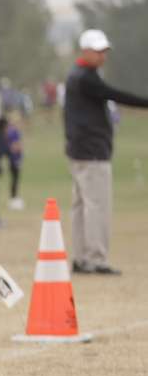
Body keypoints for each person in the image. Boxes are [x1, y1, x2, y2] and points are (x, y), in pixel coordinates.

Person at [64, 29, 148, 275]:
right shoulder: (86, 78)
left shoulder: (75, 75)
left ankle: (81, 257)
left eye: (104, 52)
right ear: (86, 51)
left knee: (81, 206)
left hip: (79, 150)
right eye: (99, 52)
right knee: (97, 206)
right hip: (92, 152)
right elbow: (114, 94)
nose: (103, 56)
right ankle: (96, 258)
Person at [0, 116, 24, 210]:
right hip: (14, 159)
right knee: (15, 179)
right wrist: (17, 149)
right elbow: (15, 145)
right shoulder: (14, 132)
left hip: (12, 158)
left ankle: (14, 197)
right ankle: (13, 198)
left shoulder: (9, 132)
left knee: (14, 179)